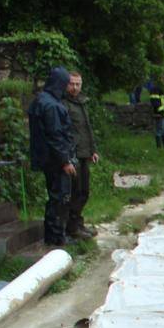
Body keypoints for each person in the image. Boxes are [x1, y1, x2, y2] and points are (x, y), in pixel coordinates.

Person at [26, 66, 75, 248]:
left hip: (46, 158)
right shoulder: (51, 106)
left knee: (55, 197)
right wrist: (65, 161)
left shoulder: (40, 101)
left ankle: (54, 235)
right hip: (55, 160)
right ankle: (56, 238)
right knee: (60, 198)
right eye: (67, 83)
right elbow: (56, 136)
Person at [62, 71, 99, 240]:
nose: (75, 87)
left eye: (78, 84)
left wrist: (93, 150)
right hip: (73, 154)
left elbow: (87, 128)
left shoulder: (82, 102)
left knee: (84, 191)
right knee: (75, 192)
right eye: (72, 84)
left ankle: (78, 223)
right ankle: (72, 227)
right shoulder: (64, 104)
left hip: (85, 153)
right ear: (66, 84)